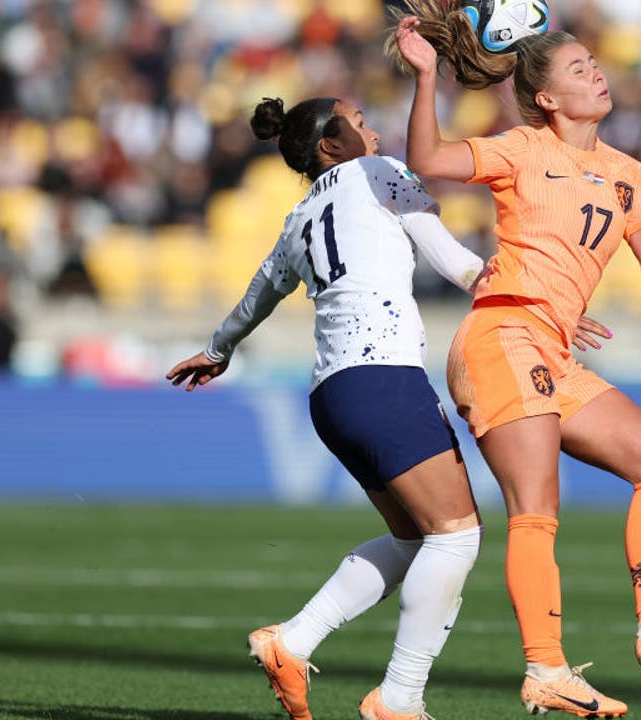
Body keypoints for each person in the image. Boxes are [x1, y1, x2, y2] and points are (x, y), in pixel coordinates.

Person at [164, 95, 611, 720]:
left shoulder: (299, 216)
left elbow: (259, 291)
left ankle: (292, 642)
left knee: (414, 539)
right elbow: (456, 262)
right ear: (331, 144)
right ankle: (399, 697)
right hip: (382, 378)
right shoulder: (382, 173)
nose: (373, 131)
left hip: (332, 395)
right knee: (457, 537)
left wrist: (218, 349)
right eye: (359, 122)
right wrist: (543, 304)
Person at [391, 9, 641, 718]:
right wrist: (424, 76)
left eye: (593, 64)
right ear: (547, 99)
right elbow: (430, 161)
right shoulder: (520, 149)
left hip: (554, 347)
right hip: (501, 337)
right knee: (536, 511)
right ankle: (546, 670)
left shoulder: (627, 171)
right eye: (577, 70)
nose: (595, 73)